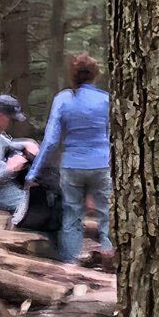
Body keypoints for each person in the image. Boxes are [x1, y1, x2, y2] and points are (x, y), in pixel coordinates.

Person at [31, 53, 112, 264]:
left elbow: (50, 141)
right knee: (106, 213)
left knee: (72, 216)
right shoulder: (105, 100)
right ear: (94, 75)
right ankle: (109, 255)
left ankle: (71, 264)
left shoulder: (63, 99)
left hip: (72, 166)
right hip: (102, 164)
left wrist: (34, 172)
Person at [0, 94, 33, 225]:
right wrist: (9, 169)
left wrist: (27, 143)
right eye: (10, 120)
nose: (10, 125)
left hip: (2, 186)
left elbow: (5, 142)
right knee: (30, 206)